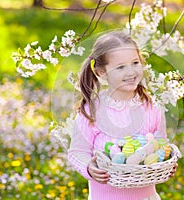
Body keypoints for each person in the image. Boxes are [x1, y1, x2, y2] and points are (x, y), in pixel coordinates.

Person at [68, 31, 177, 200]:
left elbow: (160, 144)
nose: (131, 72)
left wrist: (165, 162)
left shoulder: (152, 107)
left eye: (135, 63)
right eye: (120, 67)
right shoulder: (93, 111)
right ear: (102, 72)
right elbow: (77, 151)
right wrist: (89, 167)